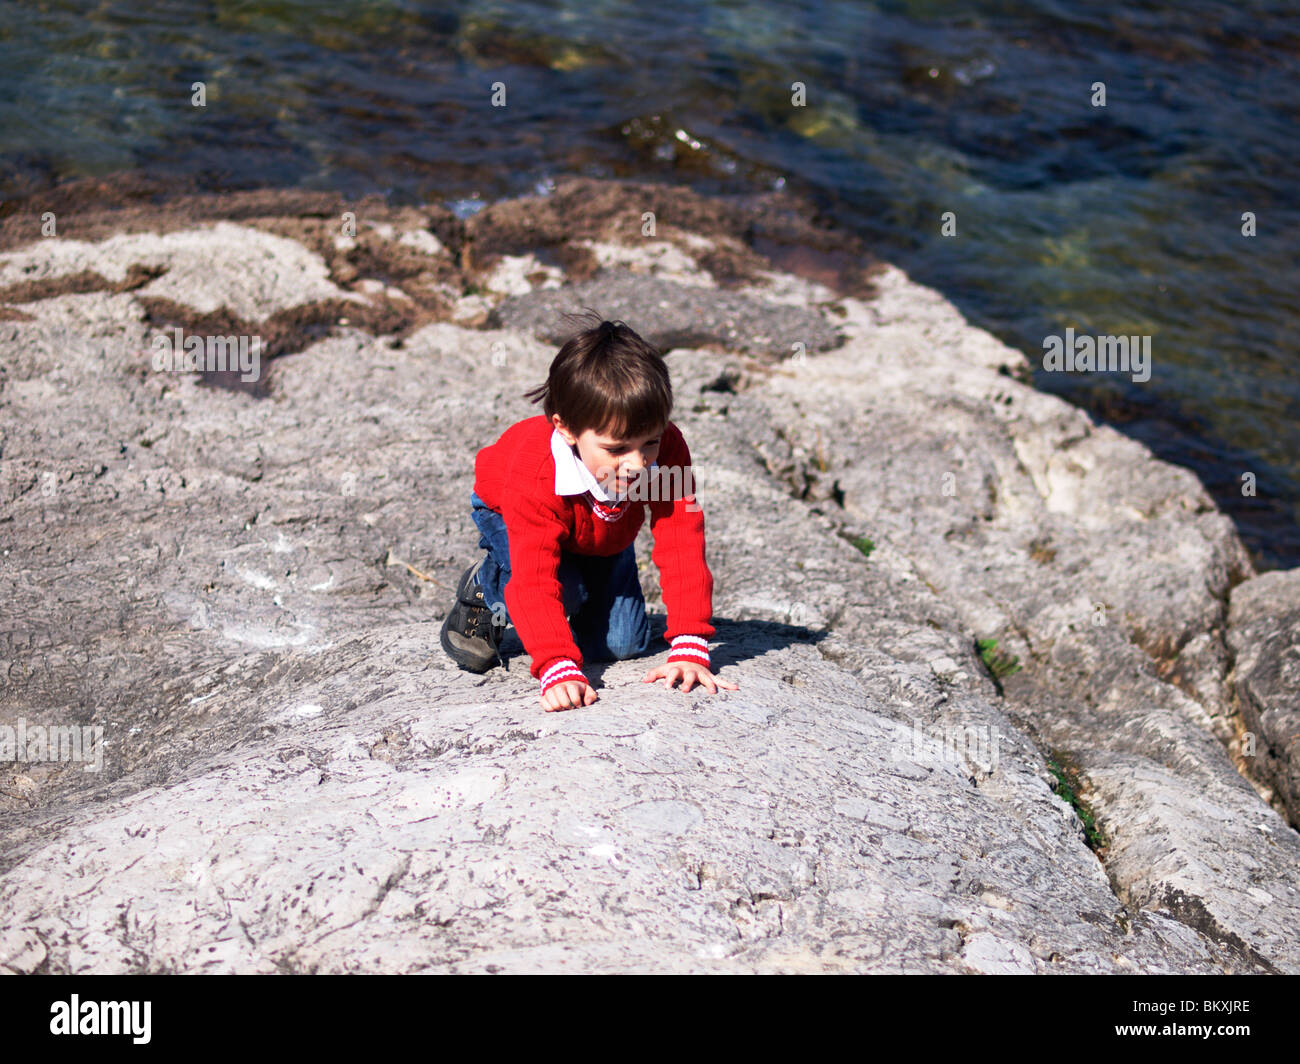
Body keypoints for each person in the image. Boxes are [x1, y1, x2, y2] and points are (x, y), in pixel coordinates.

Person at [441, 308, 738, 712]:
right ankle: (486, 584)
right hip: (510, 510)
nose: (638, 463)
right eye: (617, 449)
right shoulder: (536, 472)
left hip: (603, 529)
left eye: (649, 442)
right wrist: (556, 663)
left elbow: (680, 536)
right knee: (563, 592)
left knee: (622, 644)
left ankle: (573, 594)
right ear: (566, 429)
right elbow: (534, 577)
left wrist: (690, 641)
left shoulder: (665, 450)